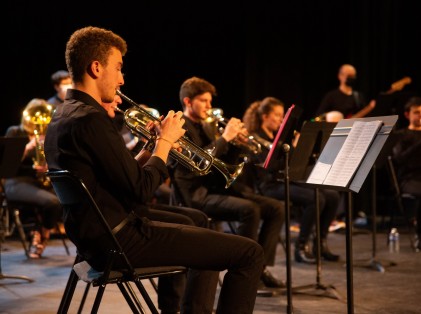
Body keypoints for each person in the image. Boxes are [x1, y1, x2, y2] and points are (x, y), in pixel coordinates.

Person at [44, 26, 264, 314]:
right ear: (96, 68)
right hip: (119, 239)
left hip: (95, 237)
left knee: (198, 219)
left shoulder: (64, 115)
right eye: (119, 68)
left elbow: (121, 177)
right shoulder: (90, 120)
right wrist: (165, 142)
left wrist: (150, 147)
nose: (122, 79)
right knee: (250, 253)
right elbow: (142, 190)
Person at [171, 76, 285, 289]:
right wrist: (224, 139)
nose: (209, 106)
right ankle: (241, 271)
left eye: (209, 101)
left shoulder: (206, 127)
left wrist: (236, 144)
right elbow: (199, 162)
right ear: (188, 102)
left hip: (215, 186)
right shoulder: (180, 126)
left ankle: (258, 268)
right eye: (203, 101)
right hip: (194, 194)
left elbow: (222, 164)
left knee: (276, 208)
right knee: (250, 210)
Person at [243, 96, 341, 264]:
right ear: (265, 116)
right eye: (277, 115)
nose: (281, 120)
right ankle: (301, 247)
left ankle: (320, 243)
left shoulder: (278, 137)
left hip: (285, 179)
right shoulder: (255, 137)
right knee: (316, 199)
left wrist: (296, 146)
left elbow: (295, 164)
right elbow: (268, 168)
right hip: (269, 185)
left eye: (283, 115)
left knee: (332, 195)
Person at [3, 98, 62, 259]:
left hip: (39, 180)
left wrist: (47, 167)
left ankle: (41, 232)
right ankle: (40, 234)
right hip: (16, 180)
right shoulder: (15, 131)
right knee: (51, 202)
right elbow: (7, 163)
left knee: (65, 199)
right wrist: (28, 147)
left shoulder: (48, 133)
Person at [392, 96, 421, 252]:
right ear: (407, 114)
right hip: (409, 178)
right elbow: (399, 159)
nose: (420, 116)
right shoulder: (401, 135)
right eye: (416, 112)